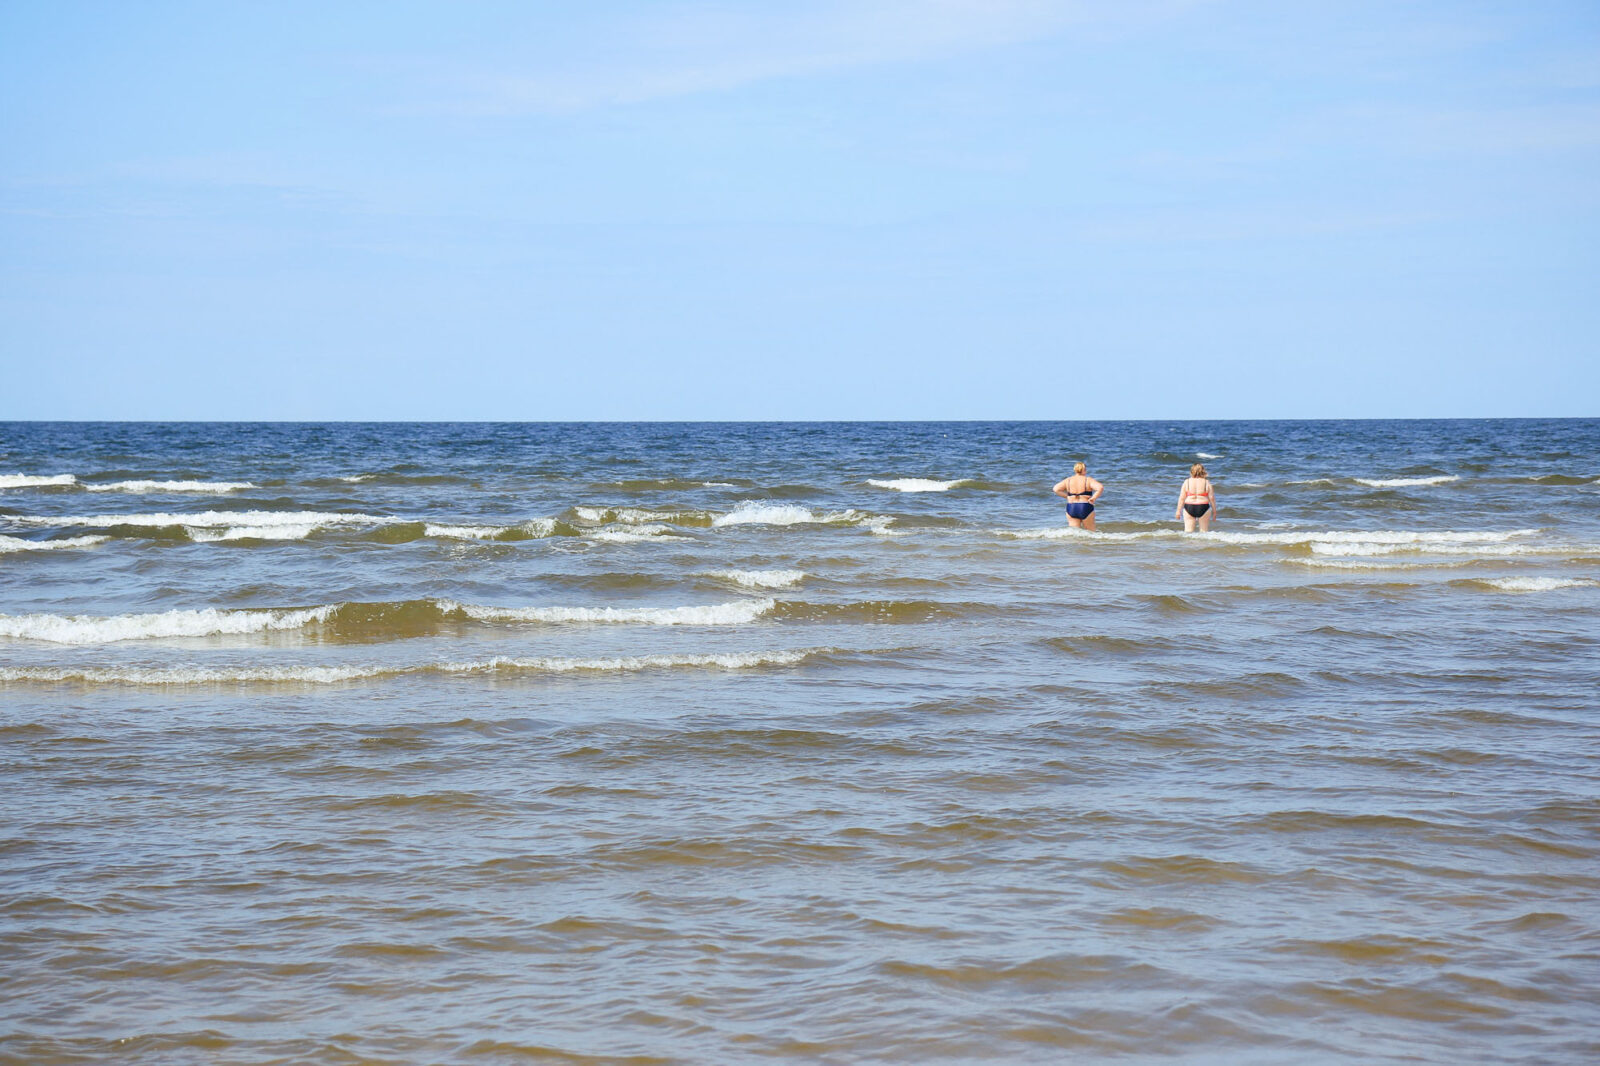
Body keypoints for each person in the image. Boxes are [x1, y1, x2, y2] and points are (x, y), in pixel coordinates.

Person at [1053, 461, 1103, 531]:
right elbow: (1100, 487)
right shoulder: (1088, 480)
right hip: (1085, 506)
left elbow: (1056, 489)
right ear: (1084, 470)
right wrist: (1094, 498)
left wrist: (1067, 497)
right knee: (1091, 532)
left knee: (1075, 533)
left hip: (1072, 507)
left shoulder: (1068, 480)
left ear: (1075, 470)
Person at [1175, 462, 1217, 532]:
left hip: (1189, 506)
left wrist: (1178, 511)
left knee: (1188, 532)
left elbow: (1182, 498)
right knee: (1204, 532)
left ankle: (1189, 543)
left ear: (1191, 471)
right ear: (1203, 471)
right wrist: (1215, 512)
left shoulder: (1187, 482)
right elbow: (1211, 498)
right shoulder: (1206, 482)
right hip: (1203, 506)